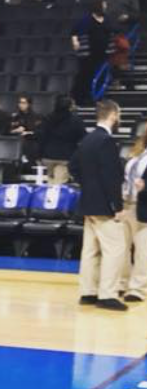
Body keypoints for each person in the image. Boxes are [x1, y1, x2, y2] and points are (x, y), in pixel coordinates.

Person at [70, 99, 127, 310]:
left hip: (88, 203)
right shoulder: (106, 141)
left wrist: (88, 185)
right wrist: (117, 206)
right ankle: (107, 295)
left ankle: (88, 292)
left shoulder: (87, 139)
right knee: (115, 249)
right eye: (118, 114)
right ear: (113, 115)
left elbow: (73, 166)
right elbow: (111, 177)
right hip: (103, 205)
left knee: (90, 250)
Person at [119, 124, 147, 303]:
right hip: (127, 204)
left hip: (143, 206)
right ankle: (122, 283)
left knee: (143, 250)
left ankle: (138, 288)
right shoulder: (137, 152)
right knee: (122, 248)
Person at [37, 95, 86, 184]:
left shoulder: (48, 118)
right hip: (65, 156)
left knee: (51, 182)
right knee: (58, 184)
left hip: (48, 156)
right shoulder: (76, 120)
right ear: (70, 107)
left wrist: (39, 155)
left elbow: (41, 137)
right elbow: (83, 137)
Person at [71, 1, 110, 105]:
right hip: (88, 56)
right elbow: (74, 32)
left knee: (100, 77)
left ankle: (97, 98)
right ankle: (81, 98)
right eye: (104, 6)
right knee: (85, 76)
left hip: (102, 55)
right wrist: (75, 41)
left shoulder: (106, 21)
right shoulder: (86, 20)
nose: (106, 8)